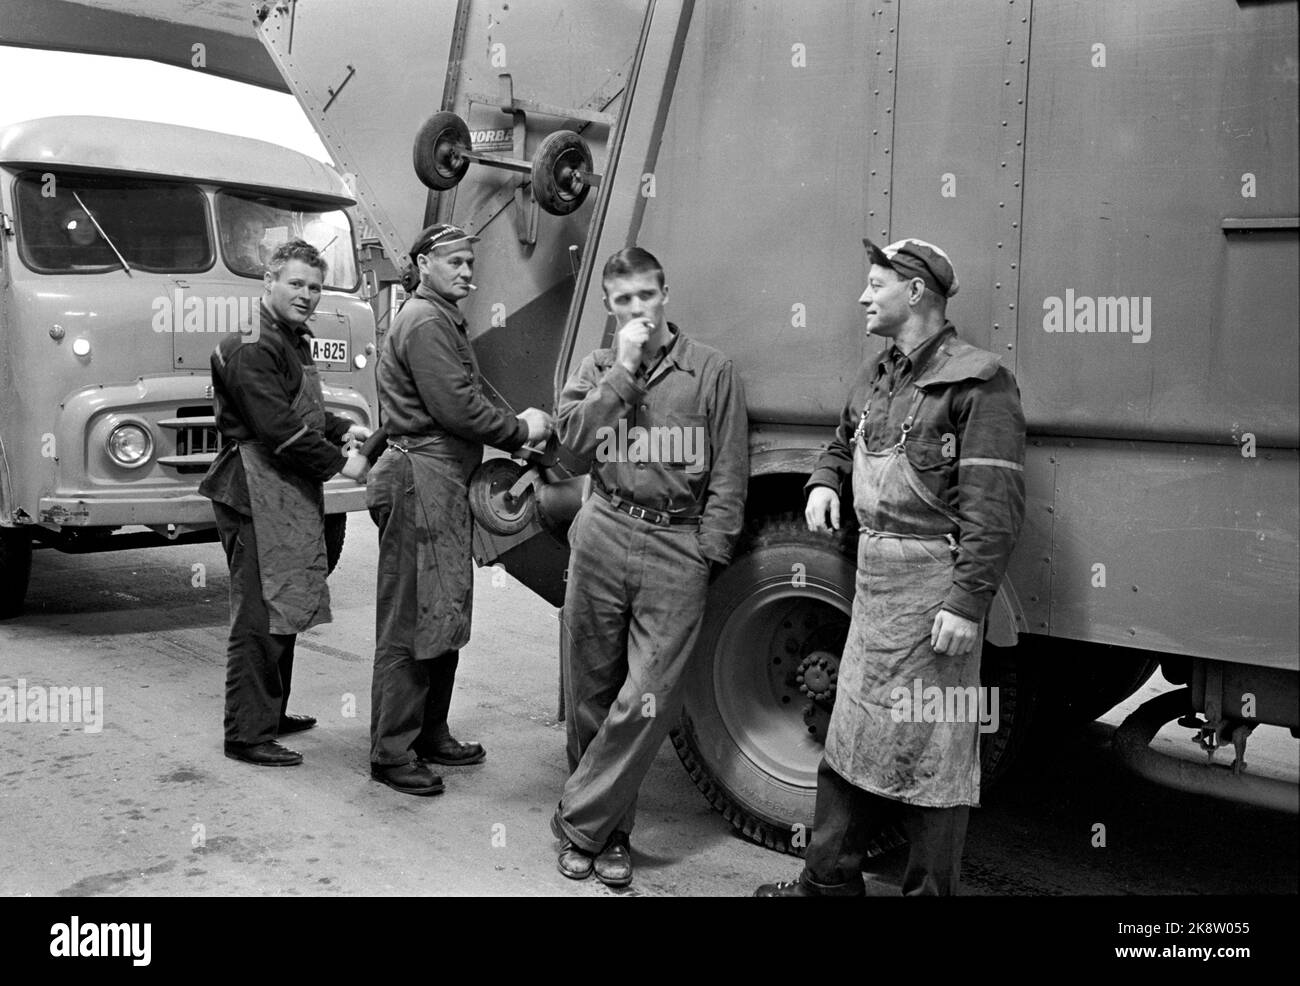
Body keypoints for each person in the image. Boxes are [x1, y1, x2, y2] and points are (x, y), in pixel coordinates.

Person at [755, 238, 1026, 896]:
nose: (862, 296)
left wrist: (966, 604)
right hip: (874, 593)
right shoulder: (880, 375)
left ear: (915, 293)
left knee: (935, 762)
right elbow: (841, 442)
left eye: (876, 284)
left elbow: (995, 509)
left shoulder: (978, 383)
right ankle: (826, 886)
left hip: (933, 595)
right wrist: (824, 480)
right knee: (848, 744)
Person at [551, 247, 748, 886]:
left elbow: (729, 475)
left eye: (646, 296)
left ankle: (577, 821)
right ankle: (611, 837)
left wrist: (706, 553)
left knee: (648, 698)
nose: (637, 309)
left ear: (666, 294)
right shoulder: (599, 367)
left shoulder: (712, 371)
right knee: (591, 691)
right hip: (604, 529)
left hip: (676, 545)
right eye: (623, 300)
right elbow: (572, 450)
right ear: (610, 307)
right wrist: (623, 372)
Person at [367, 223, 554, 796]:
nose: (468, 271)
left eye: (471, 262)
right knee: (410, 615)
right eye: (454, 261)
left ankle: (430, 732)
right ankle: (391, 752)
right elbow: (457, 408)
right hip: (421, 476)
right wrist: (520, 428)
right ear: (423, 263)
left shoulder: (439, 317)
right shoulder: (424, 321)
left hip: (441, 478)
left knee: (443, 605)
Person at [200, 239, 371, 767]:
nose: (307, 295)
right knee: (257, 613)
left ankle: (270, 715)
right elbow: (278, 429)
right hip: (253, 489)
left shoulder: (290, 338)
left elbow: (307, 413)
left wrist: (348, 429)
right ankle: (246, 734)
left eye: (315, 286)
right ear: (268, 283)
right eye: (296, 283)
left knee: (283, 603)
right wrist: (342, 463)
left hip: (282, 488)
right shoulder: (253, 344)